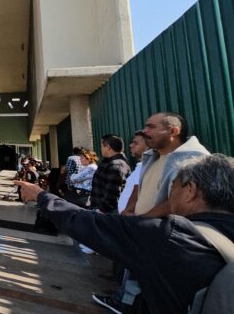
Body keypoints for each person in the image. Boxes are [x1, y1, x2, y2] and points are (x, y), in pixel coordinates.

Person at [16, 154, 234, 314]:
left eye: (172, 186)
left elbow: (89, 225)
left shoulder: (170, 236)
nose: (167, 195)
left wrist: (42, 196)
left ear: (190, 191)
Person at [125, 112, 210, 217]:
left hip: (165, 230)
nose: (144, 131)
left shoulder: (195, 159)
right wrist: (127, 213)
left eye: (151, 127)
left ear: (174, 131)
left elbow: (180, 201)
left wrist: (142, 221)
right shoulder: (151, 158)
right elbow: (141, 192)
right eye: (145, 127)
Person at [90, 135, 131, 214]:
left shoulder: (116, 165)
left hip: (106, 213)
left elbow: (112, 192)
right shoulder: (108, 162)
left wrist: (102, 210)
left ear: (108, 147)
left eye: (102, 146)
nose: (101, 148)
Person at [118, 131, 149, 214]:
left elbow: (137, 193)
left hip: (130, 219)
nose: (131, 145)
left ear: (148, 145)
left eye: (135, 143)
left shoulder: (145, 167)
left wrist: (125, 213)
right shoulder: (140, 166)